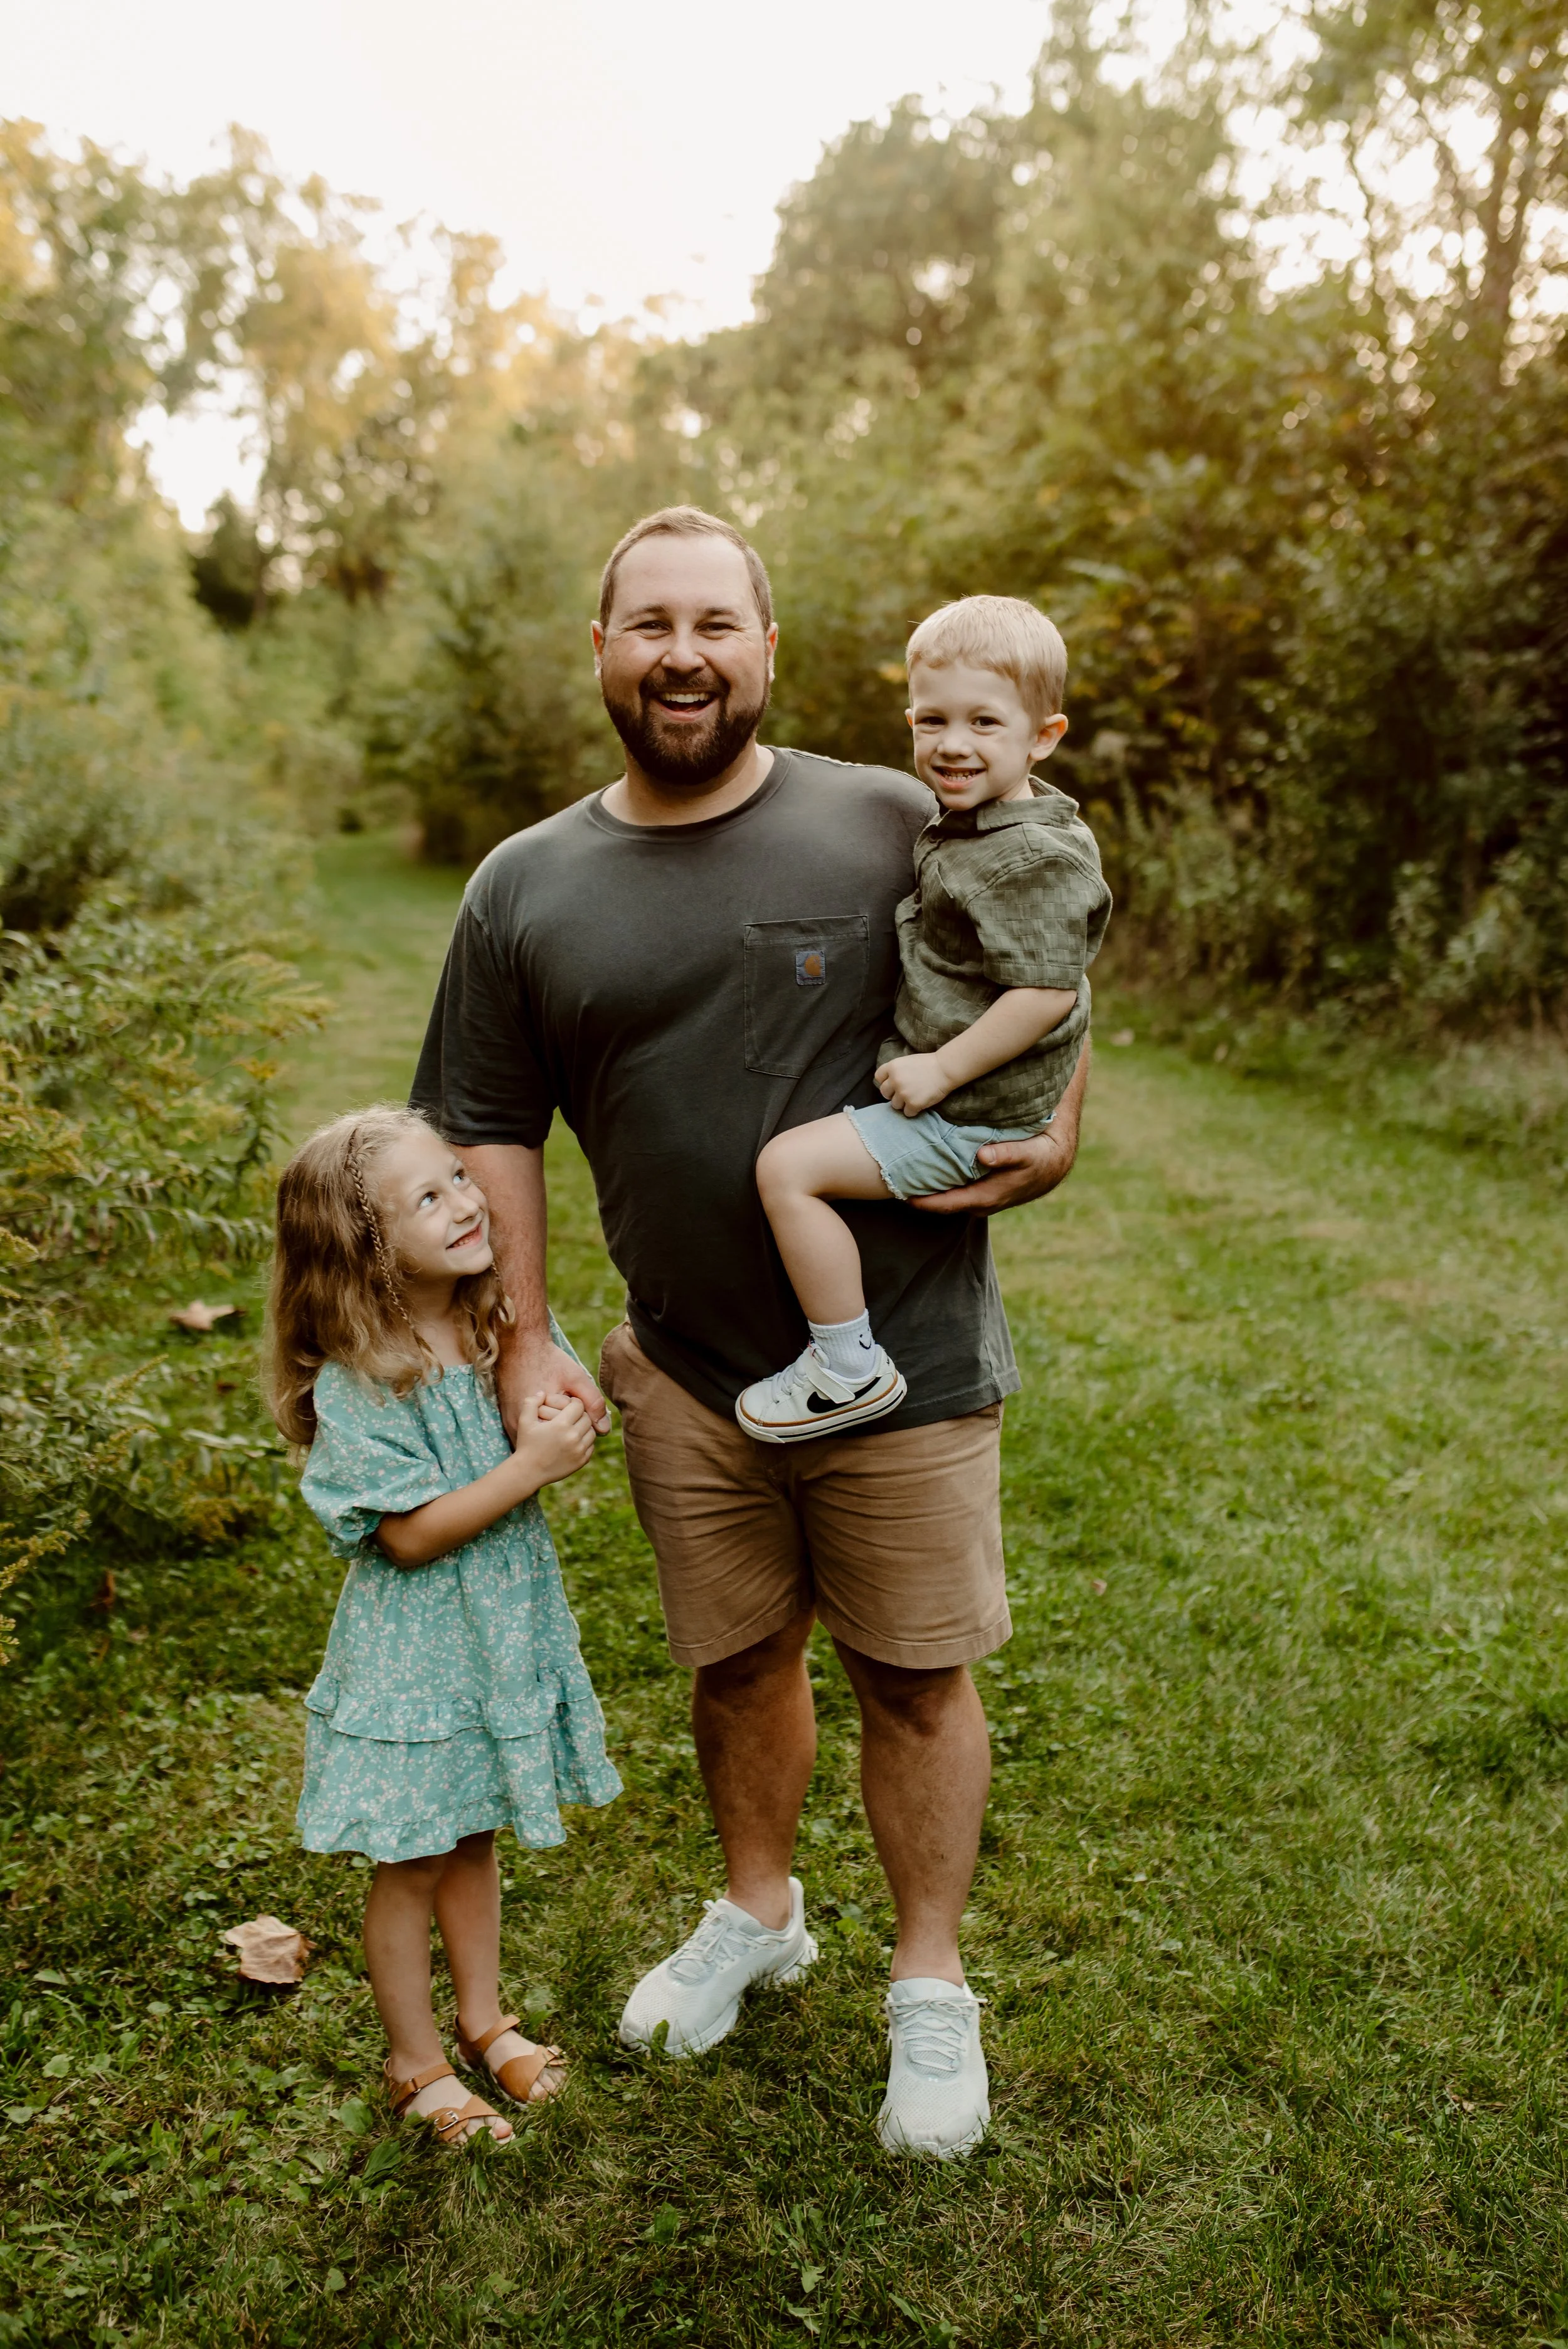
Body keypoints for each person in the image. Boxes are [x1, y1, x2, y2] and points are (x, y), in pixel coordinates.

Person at [411, 506, 1088, 2160]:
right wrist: (526, 1335)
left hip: (904, 1360)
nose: (682, 654)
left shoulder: (883, 819)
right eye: (647, 622)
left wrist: (1060, 1127)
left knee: (914, 1681)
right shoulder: (524, 889)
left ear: (768, 650)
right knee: (733, 1667)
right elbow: (487, 1126)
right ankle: (760, 1915)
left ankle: (927, 1987)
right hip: (687, 1372)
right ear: (600, 650)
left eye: (715, 622)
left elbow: (1047, 948)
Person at [263, 1106, 620, 2151]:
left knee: (474, 1833)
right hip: (416, 1655)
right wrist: (529, 1470)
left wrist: (562, 1415)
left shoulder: (488, 1320)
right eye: (431, 1197)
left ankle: (483, 2022)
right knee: (411, 1860)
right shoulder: (363, 1377)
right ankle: (414, 2063)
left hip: (492, 1635)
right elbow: (408, 1539)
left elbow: (541, 1415)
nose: (470, 1202)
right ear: (365, 1250)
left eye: (461, 1177)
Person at [736, 595, 1110, 1442]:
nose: (952, 743)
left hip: (967, 1116)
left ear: (1043, 736)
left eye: (984, 721)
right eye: (932, 719)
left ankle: (846, 1365)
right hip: (963, 1098)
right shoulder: (982, 823)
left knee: (787, 1171)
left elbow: (1050, 990)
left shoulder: (1032, 855)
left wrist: (942, 1070)